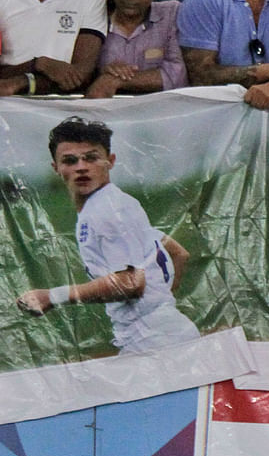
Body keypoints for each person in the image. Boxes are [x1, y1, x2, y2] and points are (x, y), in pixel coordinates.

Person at [13, 116, 200, 351]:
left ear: (110, 161)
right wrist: (160, 302)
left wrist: (52, 296)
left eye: (91, 158)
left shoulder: (107, 210)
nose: (81, 167)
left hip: (153, 340)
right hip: (161, 331)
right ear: (56, 168)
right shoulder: (111, 203)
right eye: (70, 161)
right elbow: (178, 253)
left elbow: (130, 282)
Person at [87, 0, 185, 97]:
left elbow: (177, 75)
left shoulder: (172, 14)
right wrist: (100, 72)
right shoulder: (92, 17)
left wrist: (116, 80)